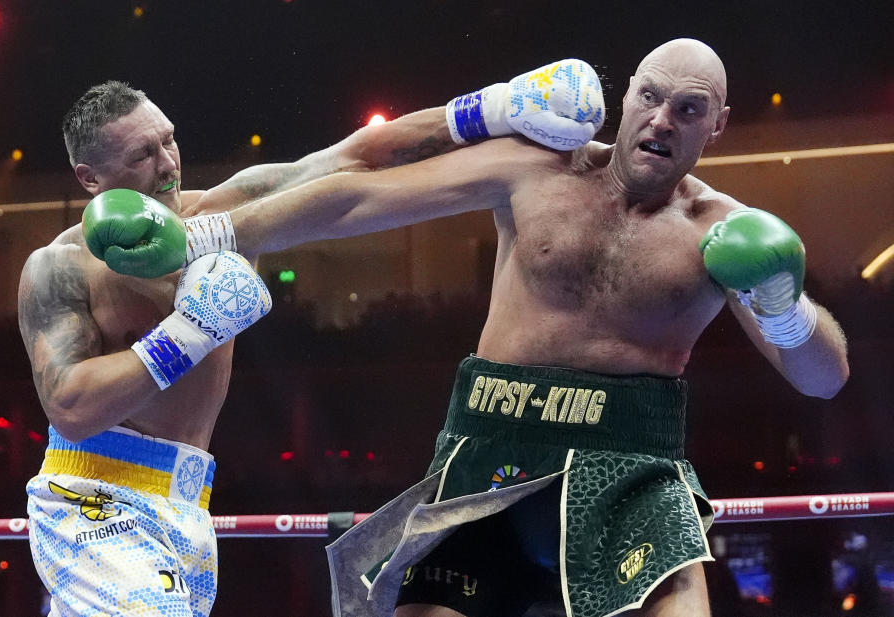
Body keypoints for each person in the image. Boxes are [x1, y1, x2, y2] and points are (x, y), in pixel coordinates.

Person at [86, 39, 849, 617]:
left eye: (687, 110)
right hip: (489, 454)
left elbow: (823, 376)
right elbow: (361, 197)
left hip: (631, 472)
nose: (660, 120)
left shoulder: (727, 233)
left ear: (716, 124)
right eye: (649, 96)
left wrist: (786, 306)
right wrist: (207, 236)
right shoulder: (536, 169)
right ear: (627, 98)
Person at [17, 62, 601, 617]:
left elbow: (352, 158)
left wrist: (494, 108)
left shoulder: (219, 221)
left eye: (167, 140)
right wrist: (190, 331)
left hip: (187, 501)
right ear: (89, 178)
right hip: (93, 497)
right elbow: (70, 405)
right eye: (141, 155)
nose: (168, 164)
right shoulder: (60, 267)